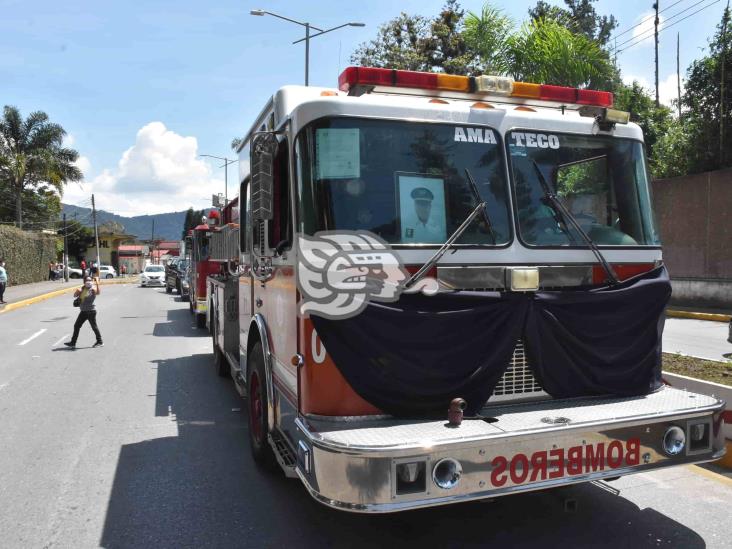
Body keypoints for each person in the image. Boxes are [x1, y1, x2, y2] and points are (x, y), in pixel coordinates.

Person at [64, 276, 103, 349]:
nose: (88, 281)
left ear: (92, 281)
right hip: (83, 312)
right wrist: (77, 291)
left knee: (94, 327)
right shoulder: (82, 288)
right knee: (76, 326)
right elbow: (75, 295)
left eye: (90, 280)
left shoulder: (93, 288)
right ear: (84, 281)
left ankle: (100, 341)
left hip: (91, 311)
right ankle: (73, 343)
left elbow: (98, 293)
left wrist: (97, 283)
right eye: (87, 280)